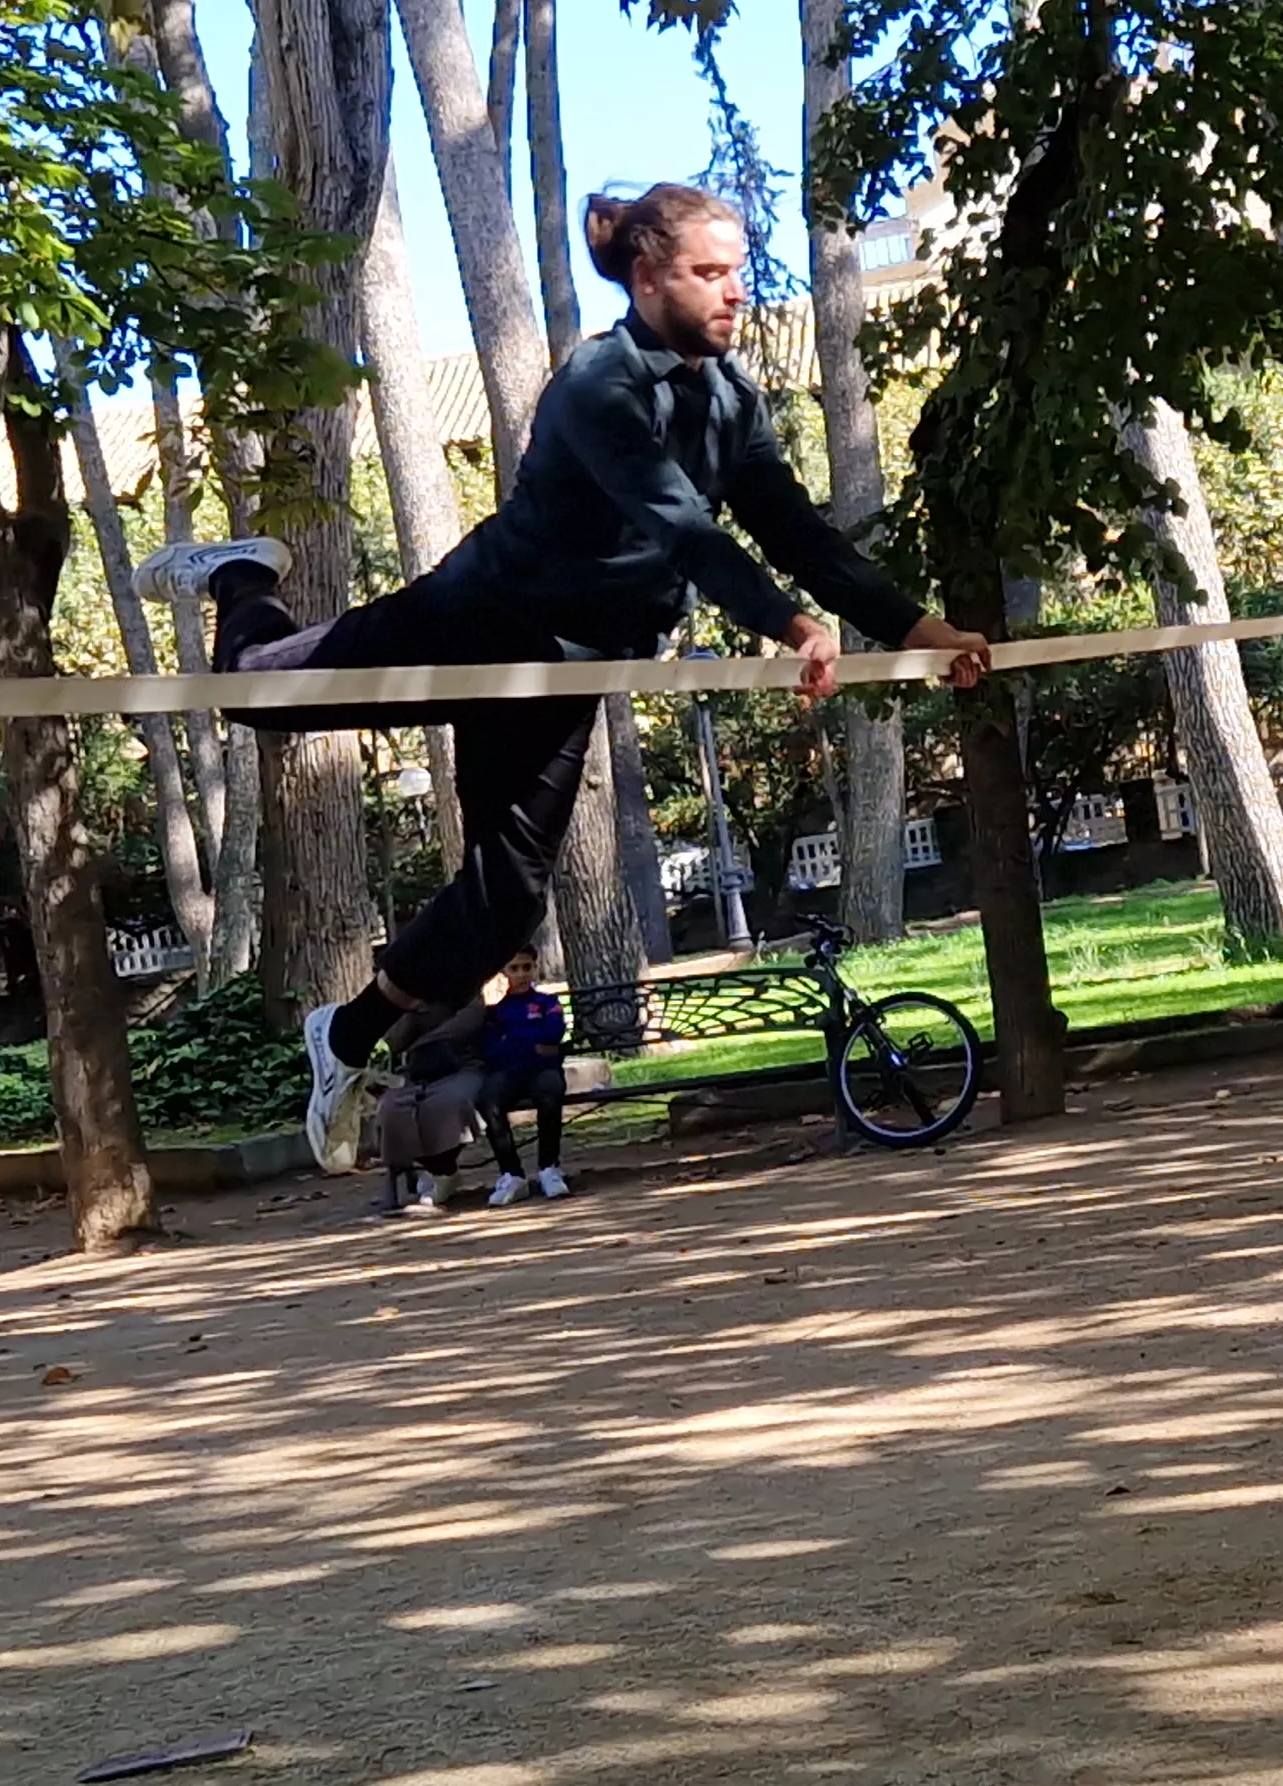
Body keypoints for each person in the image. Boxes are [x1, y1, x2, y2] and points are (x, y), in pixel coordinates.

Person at [130, 182, 993, 1175]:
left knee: (504, 905)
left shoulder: (728, 400)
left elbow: (796, 532)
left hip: (561, 668)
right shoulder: (598, 382)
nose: (734, 292)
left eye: (738, 271)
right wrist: (790, 626)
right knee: (252, 695)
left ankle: (348, 1033)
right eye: (709, 274)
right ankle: (241, 574)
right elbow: (682, 526)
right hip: (477, 619)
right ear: (647, 275)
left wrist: (919, 626)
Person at [372, 996, 491, 1216]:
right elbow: (395, 1041)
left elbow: (469, 1022)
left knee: (450, 1102)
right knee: (393, 1107)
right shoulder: (414, 994)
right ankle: (439, 1172)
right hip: (419, 1071)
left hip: (463, 1066)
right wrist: (408, 1008)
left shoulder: (467, 988)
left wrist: (425, 1040)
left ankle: (442, 1171)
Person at [478, 947, 571, 1206]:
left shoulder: (548, 1003)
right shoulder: (495, 1012)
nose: (521, 974)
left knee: (550, 1090)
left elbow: (553, 1033)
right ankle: (512, 1174)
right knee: (488, 1099)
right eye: (514, 968)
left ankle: (549, 1168)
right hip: (509, 1072)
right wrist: (533, 1045)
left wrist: (514, 1041)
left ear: (535, 968)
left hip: (543, 1070)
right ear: (504, 972)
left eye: (527, 967)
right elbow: (492, 1050)